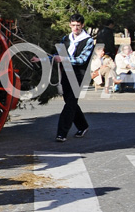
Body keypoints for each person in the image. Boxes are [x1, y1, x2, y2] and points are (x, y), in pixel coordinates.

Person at [33, 13, 93, 142]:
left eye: (78, 25)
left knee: (70, 103)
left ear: (82, 25)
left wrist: (64, 59)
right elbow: (56, 55)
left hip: (79, 74)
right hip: (66, 73)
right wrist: (41, 59)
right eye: (73, 25)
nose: (75, 28)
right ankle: (83, 126)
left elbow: (82, 59)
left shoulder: (88, 40)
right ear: (70, 25)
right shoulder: (66, 38)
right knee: (70, 101)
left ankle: (62, 133)